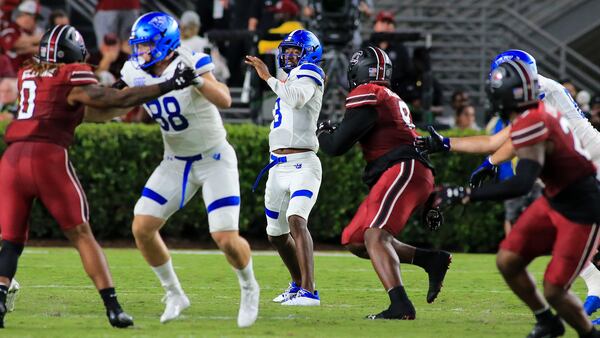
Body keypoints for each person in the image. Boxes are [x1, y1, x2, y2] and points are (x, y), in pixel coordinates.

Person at [0, 24, 197, 329]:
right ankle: (113, 307)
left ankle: (0, 299)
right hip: (47, 157)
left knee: (11, 241)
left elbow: (94, 108)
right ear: (74, 52)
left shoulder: (30, 74)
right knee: (81, 234)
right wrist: (168, 84)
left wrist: (125, 87)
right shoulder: (72, 75)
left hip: (11, 161)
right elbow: (110, 101)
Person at [416, 49, 600, 320]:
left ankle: (580, 312)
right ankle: (584, 301)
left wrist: (469, 187)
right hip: (568, 176)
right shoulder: (533, 106)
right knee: (554, 253)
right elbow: (504, 140)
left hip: (587, 171)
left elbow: (510, 148)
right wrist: (476, 156)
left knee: (571, 254)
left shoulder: (537, 101)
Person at [119, 12, 259, 326]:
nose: (140, 52)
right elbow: (120, 99)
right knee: (142, 227)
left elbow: (224, 99)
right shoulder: (132, 70)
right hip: (175, 162)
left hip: (214, 159)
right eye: (138, 45)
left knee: (224, 236)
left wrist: (195, 79)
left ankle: (249, 287)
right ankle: (174, 293)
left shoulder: (192, 61)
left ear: (165, 43)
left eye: (146, 45)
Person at [317, 46, 451, 319]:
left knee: (374, 235)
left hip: (403, 169)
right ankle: (429, 259)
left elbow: (337, 146)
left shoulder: (369, 93)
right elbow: (356, 132)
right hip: (407, 170)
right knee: (354, 239)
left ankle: (400, 305)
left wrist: (322, 132)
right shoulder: (387, 96)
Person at [245, 29, 323, 306]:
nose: (289, 55)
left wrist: (267, 77)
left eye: (295, 51)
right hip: (277, 166)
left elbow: (297, 99)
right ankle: (297, 284)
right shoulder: (289, 78)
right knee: (275, 235)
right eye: (287, 50)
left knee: (296, 220)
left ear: (309, 52)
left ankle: (310, 291)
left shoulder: (311, 72)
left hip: (303, 163)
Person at [0, 0, 43, 74]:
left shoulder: (28, 32)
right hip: (9, 76)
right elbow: (15, 44)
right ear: (25, 15)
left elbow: (30, 49)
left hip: (25, 75)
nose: (35, 23)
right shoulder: (11, 28)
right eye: (35, 19)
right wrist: (39, 39)